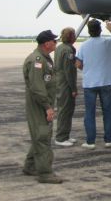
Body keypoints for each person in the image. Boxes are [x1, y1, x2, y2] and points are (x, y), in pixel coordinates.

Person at [22, 30, 63, 184]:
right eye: (54, 41)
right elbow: (37, 88)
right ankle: (45, 173)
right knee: (42, 138)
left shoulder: (45, 58)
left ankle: (30, 166)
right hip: (39, 104)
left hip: (43, 102)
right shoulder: (37, 61)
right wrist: (47, 107)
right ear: (47, 43)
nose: (56, 43)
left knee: (40, 135)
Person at [75, 20, 111, 149]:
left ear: (89, 31)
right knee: (107, 111)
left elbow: (78, 64)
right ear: (100, 30)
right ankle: (109, 139)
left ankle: (90, 141)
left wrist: (87, 70)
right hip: (105, 82)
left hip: (89, 83)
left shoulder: (84, 45)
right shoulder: (108, 42)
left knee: (89, 113)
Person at [54, 27, 78, 147]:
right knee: (65, 110)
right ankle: (61, 137)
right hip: (65, 85)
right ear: (70, 37)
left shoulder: (59, 48)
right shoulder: (68, 50)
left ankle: (65, 135)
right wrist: (73, 88)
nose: (75, 36)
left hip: (60, 83)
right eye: (74, 35)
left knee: (64, 110)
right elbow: (69, 71)